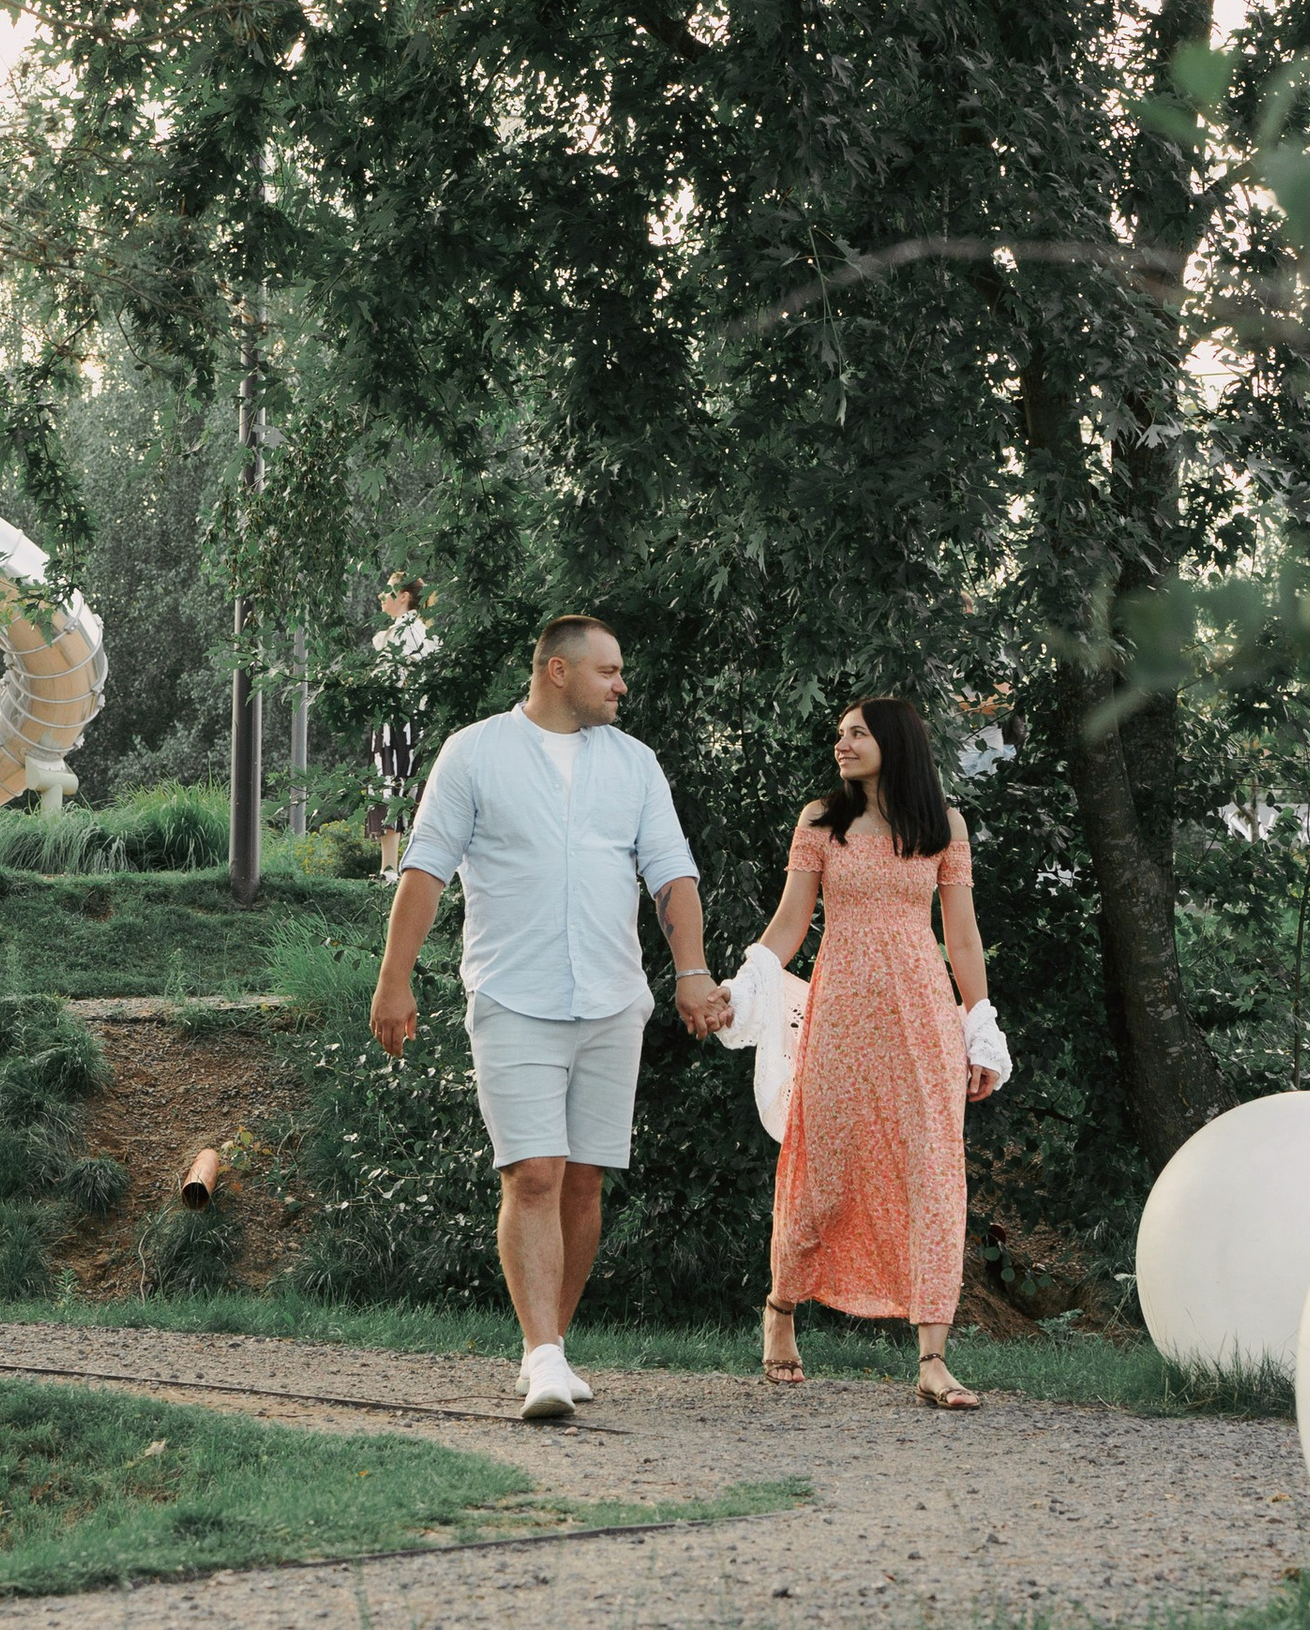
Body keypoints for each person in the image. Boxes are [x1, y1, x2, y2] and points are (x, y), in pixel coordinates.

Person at [368, 614, 732, 1420]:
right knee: (533, 1172)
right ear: (558, 671)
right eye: (608, 670)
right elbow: (424, 870)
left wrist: (692, 971)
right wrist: (394, 982)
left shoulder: (634, 763)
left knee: (584, 1180)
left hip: (612, 997)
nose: (621, 684)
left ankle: (552, 1347)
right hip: (512, 994)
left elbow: (671, 875)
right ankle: (541, 1358)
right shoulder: (473, 753)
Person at [747, 693, 1009, 1409]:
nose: (843, 743)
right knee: (823, 1169)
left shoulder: (942, 826)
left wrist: (980, 1027)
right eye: (840, 734)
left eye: (858, 733)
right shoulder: (820, 822)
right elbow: (790, 923)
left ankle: (932, 1359)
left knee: (933, 1172)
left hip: (922, 1018)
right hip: (840, 1015)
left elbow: (962, 937)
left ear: (895, 741)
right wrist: (749, 982)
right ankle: (781, 1308)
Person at [367, 572, 436, 876]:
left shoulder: (405, 632)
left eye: (388, 590)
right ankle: (398, 869)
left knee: (391, 783)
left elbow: (399, 682)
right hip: (411, 720)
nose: (381, 596)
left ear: (404, 596)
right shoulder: (417, 631)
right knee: (405, 787)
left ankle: (391, 869)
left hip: (399, 719)